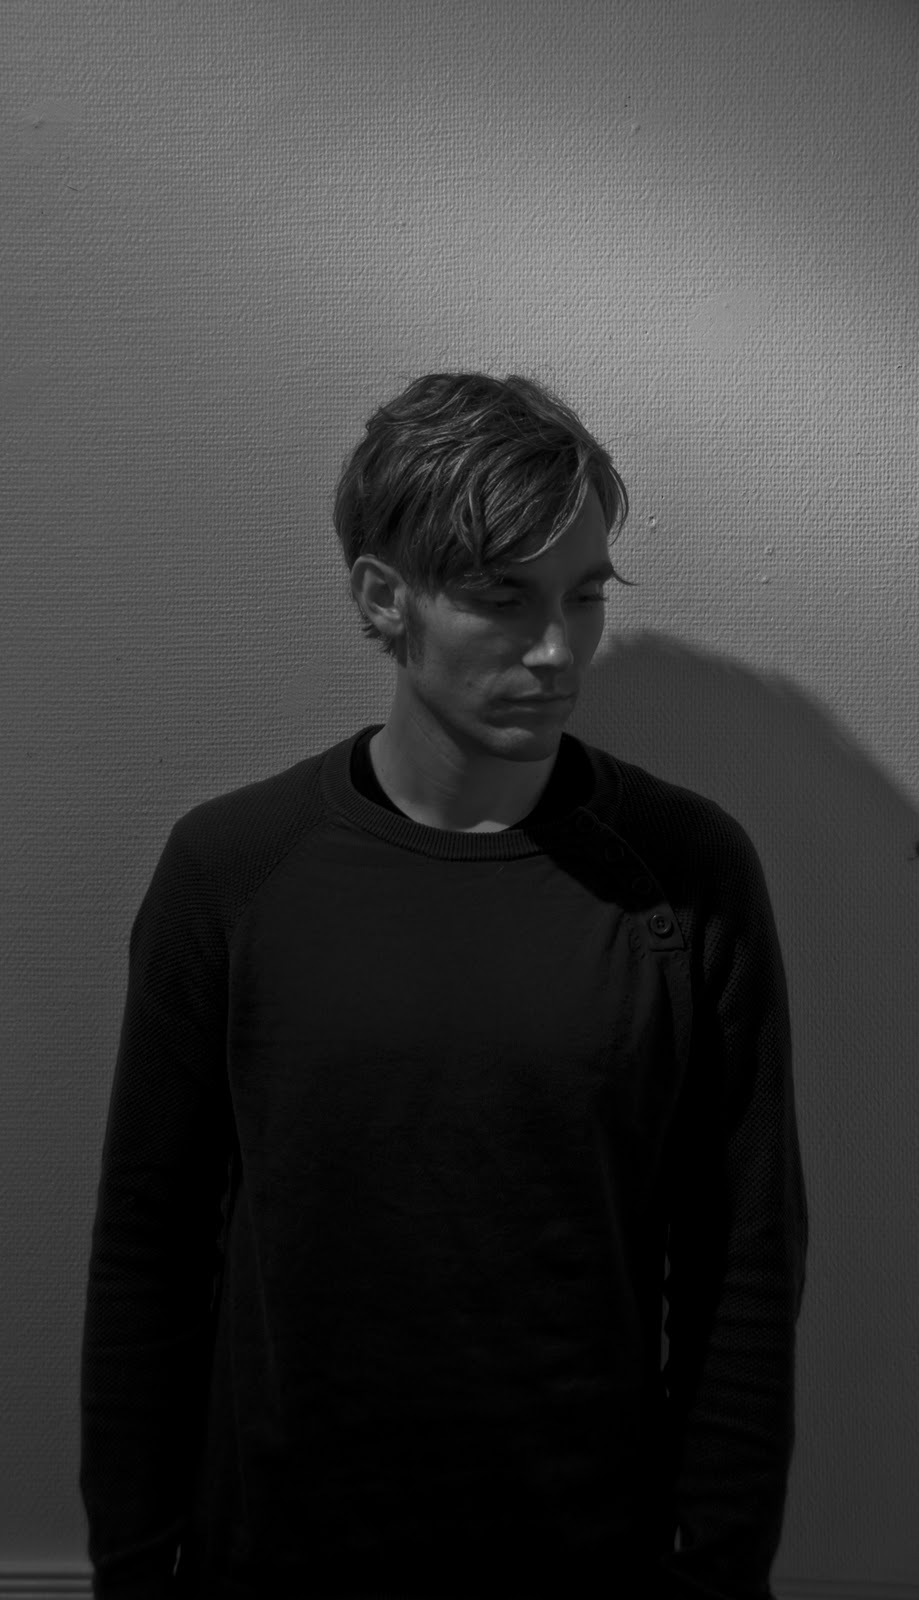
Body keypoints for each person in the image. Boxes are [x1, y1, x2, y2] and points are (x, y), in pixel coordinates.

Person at [80, 371, 809, 1600]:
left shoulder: (687, 872)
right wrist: (132, 1565)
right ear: (384, 596)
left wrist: (721, 1565)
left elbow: (742, 1256)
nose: (555, 648)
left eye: (585, 596)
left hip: (590, 1554)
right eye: (500, 596)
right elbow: (149, 1245)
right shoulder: (233, 871)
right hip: (276, 1551)